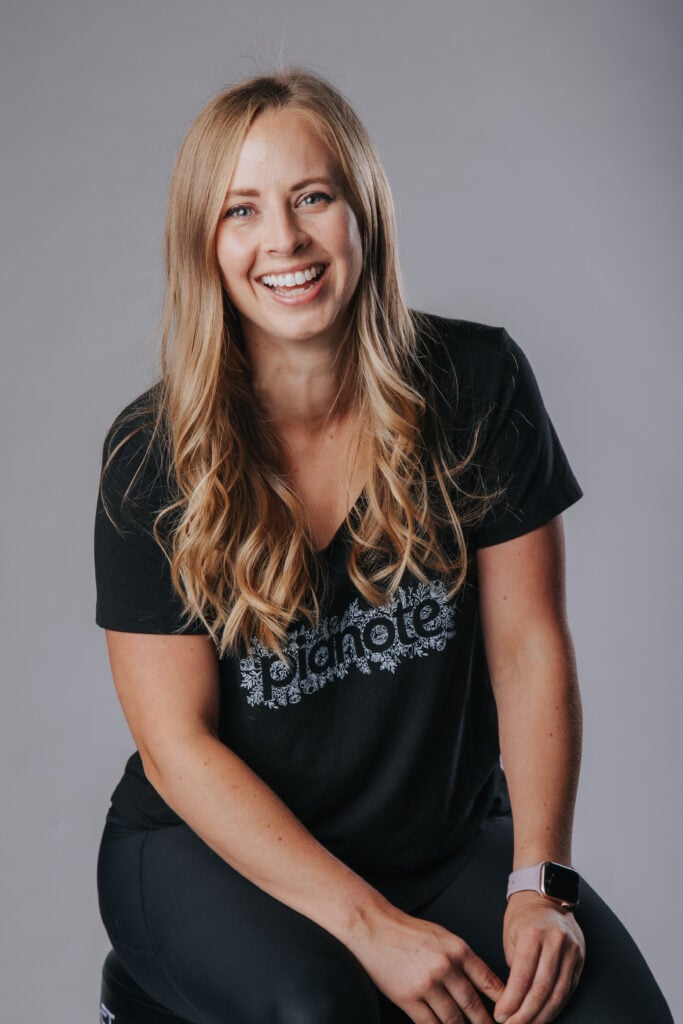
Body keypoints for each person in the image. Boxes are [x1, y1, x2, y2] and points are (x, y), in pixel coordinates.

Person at [94, 68, 673, 1024]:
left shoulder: (476, 383)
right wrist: (366, 925)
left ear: (363, 209)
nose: (283, 239)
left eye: (311, 196)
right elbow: (177, 746)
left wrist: (540, 883)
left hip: (438, 842)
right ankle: (156, 996)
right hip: (209, 856)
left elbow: (528, 647)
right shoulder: (153, 454)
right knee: (326, 1012)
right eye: (241, 210)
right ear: (204, 244)